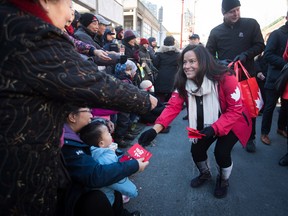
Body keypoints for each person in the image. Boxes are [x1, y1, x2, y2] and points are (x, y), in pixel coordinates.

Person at [0, 1, 157, 215]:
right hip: (20, 174)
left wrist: (92, 50)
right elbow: (92, 83)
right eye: (68, 5)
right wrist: (145, 100)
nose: (70, 16)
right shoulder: (28, 31)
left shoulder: (16, 21)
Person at [138, 45, 252, 198]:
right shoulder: (183, 81)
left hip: (232, 121)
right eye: (184, 62)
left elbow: (235, 110)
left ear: (203, 61)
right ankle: (205, 174)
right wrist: (155, 129)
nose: (186, 66)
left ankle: (223, 180)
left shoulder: (226, 77)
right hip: (201, 122)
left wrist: (214, 128)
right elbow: (173, 106)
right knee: (196, 150)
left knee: (221, 152)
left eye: (192, 61)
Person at [206, 0, 265, 153]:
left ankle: (250, 137)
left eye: (238, 9)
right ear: (224, 13)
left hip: (247, 76)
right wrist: (219, 62)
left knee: (249, 109)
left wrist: (246, 55)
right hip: (225, 77)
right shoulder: (216, 31)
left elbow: (260, 45)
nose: (236, 13)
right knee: (226, 108)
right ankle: (226, 137)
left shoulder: (251, 24)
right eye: (232, 11)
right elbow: (208, 54)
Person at [62, 107, 144, 216]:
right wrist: (134, 165)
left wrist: (104, 122)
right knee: (104, 191)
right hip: (74, 198)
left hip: (87, 186)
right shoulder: (65, 144)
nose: (92, 115)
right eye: (88, 111)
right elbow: (96, 175)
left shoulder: (76, 132)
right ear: (72, 117)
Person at [79, 120, 138, 206]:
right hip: (106, 196)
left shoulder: (97, 151)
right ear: (101, 143)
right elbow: (116, 179)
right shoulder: (105, 157)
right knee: (109, 206)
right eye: (108, 133)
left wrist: (122, 158)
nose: (110, 134)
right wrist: (133, 191)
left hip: (101, 191)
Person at [260, 12, 288, 145]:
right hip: (275, 77)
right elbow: (267, 55)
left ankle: (281, 128)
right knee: (270, 106)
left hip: (286, 80)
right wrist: (285, 64)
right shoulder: (277, 34)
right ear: (286, 18)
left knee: (286, 105)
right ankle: (264, 133)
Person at [153, 36, 181, 103]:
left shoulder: (159, 53)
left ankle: (160, 111)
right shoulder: (178, 54)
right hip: (173, 78)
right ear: (173, 43)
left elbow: (155, 64)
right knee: (171, 99)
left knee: (160, 99)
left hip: (161, 77)